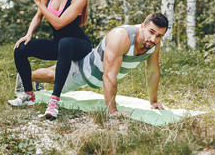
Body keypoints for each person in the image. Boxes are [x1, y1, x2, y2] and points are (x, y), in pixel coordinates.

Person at [21, 13, 169, 117]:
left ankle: (28, 76)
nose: (153, 38)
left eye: (159, 36)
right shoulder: (122, 37)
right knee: (54, 77)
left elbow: (152, 72)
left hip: (95, 66)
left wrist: (154, 101)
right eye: (151, 32)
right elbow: (109, 76)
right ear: (142, 26)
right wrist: (112, 111)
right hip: (87, 70)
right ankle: (24, 76)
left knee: (56, 71)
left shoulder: (153, 43)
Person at [8, 0, 92, 119]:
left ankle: (53, 102)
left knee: (66, 43)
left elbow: (59, 23)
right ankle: (28, 95)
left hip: (78, 46)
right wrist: (28, 34)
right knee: (21, 48)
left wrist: (39, 2)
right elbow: (38, 16)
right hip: (59, 44)